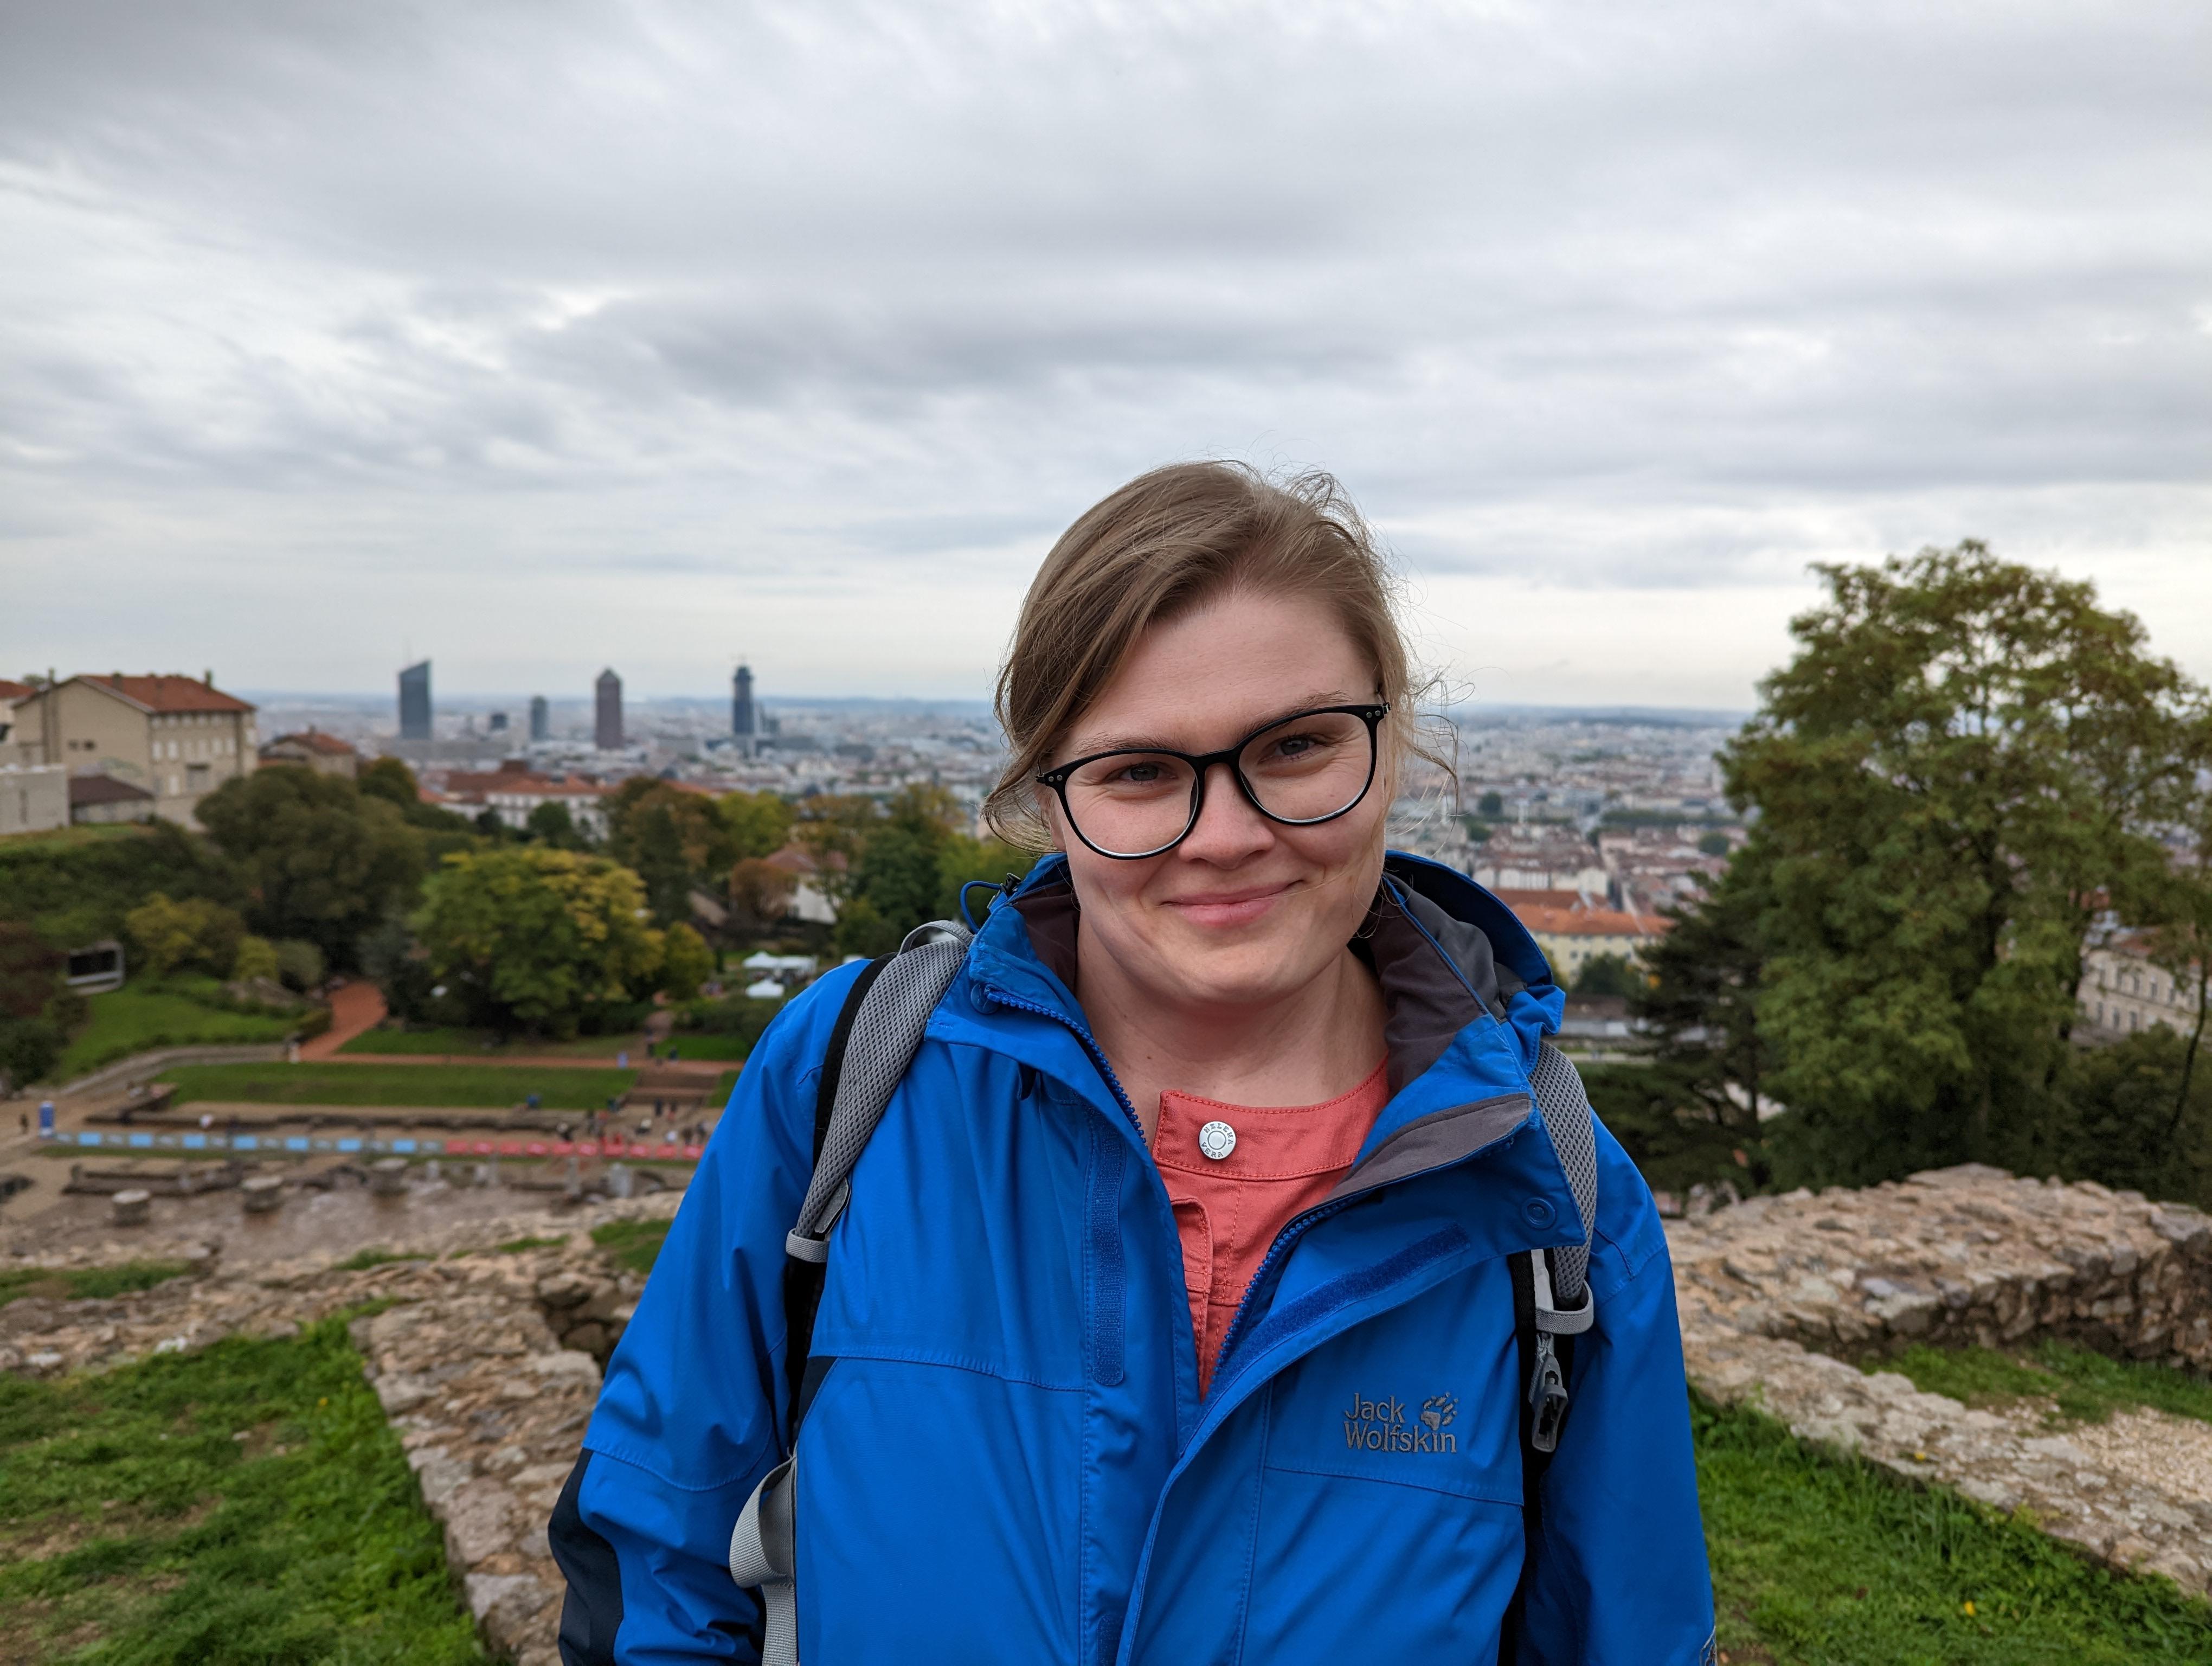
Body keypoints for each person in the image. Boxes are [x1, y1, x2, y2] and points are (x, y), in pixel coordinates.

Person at [551, 464, 1714, 1663]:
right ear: (1048, 799)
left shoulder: (1555, 1189)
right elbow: (658, 1552)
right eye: (1141, 772)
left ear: (1391, 742)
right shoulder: (850, 1076)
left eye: (1298, 746)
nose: (1228, 836)